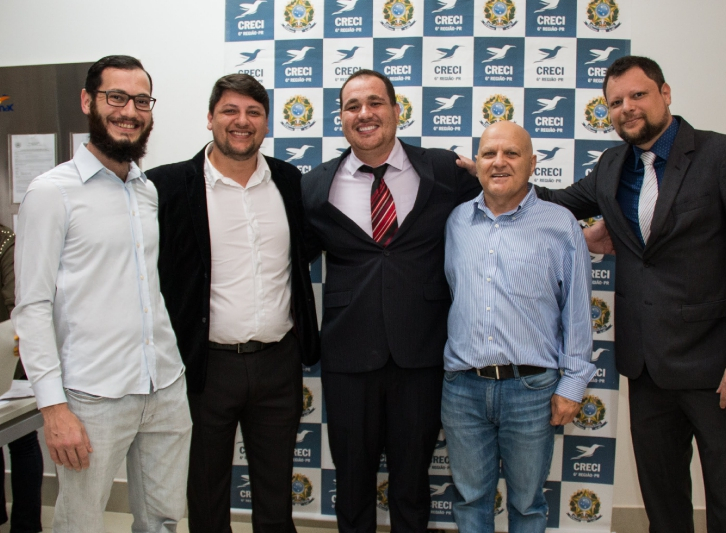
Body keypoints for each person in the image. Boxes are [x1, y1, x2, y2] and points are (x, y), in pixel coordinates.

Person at [535, 56, 726, 533]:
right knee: (664, 505)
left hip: (719, 369)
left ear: (665, 93)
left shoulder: (725, 155)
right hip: (646, 367)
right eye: (615, 102)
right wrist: (488, 174)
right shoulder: (612, 166)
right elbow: (555, 203)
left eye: (638, 95)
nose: (626, 108)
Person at [12, 55, 192, 533]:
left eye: (141, 101)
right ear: (88, 101)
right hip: (92, 396)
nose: (129, 111)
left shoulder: (146, 191)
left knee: (163, 521)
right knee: (81, 524)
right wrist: (53, 407)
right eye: (116, 97)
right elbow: (32, 308)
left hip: (164, 386)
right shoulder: (51, 193)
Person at [301, 69, 481, 533]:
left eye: (375, 103)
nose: (364, 114)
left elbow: (503, 199)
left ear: (396, 110)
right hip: (347, 357)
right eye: (352, 106)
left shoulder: (443, 169)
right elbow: (287, 257)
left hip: (421, 355)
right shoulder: (315, 185)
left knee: (412, 485)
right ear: (341, 118)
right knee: (352, 482)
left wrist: (572, 228)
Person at [147, 73, 319, 533]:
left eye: (253, 112)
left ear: (266, 123)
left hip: (278, 364)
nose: (241, 121)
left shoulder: (288, 180)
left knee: (276, 497)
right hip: (206, 368)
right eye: (230, 110)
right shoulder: (167, 185)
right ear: (210, 118)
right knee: (205, 495)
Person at [442, 120, 595, 533]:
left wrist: (573, 384)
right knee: (470, 500)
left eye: (511, 153)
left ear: (532, 163)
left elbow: (578, 311)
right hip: (462, 389)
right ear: (476, 163)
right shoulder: (455, 222)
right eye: (489, 153)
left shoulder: (560, 224)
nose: (499, 162)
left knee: (527, 505)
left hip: (532, 391)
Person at [0, 223, 44, 533]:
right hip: (10, 349)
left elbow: (14, 302)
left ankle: (26, 525)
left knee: (22, 438)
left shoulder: (5, 242)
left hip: (10, 353)